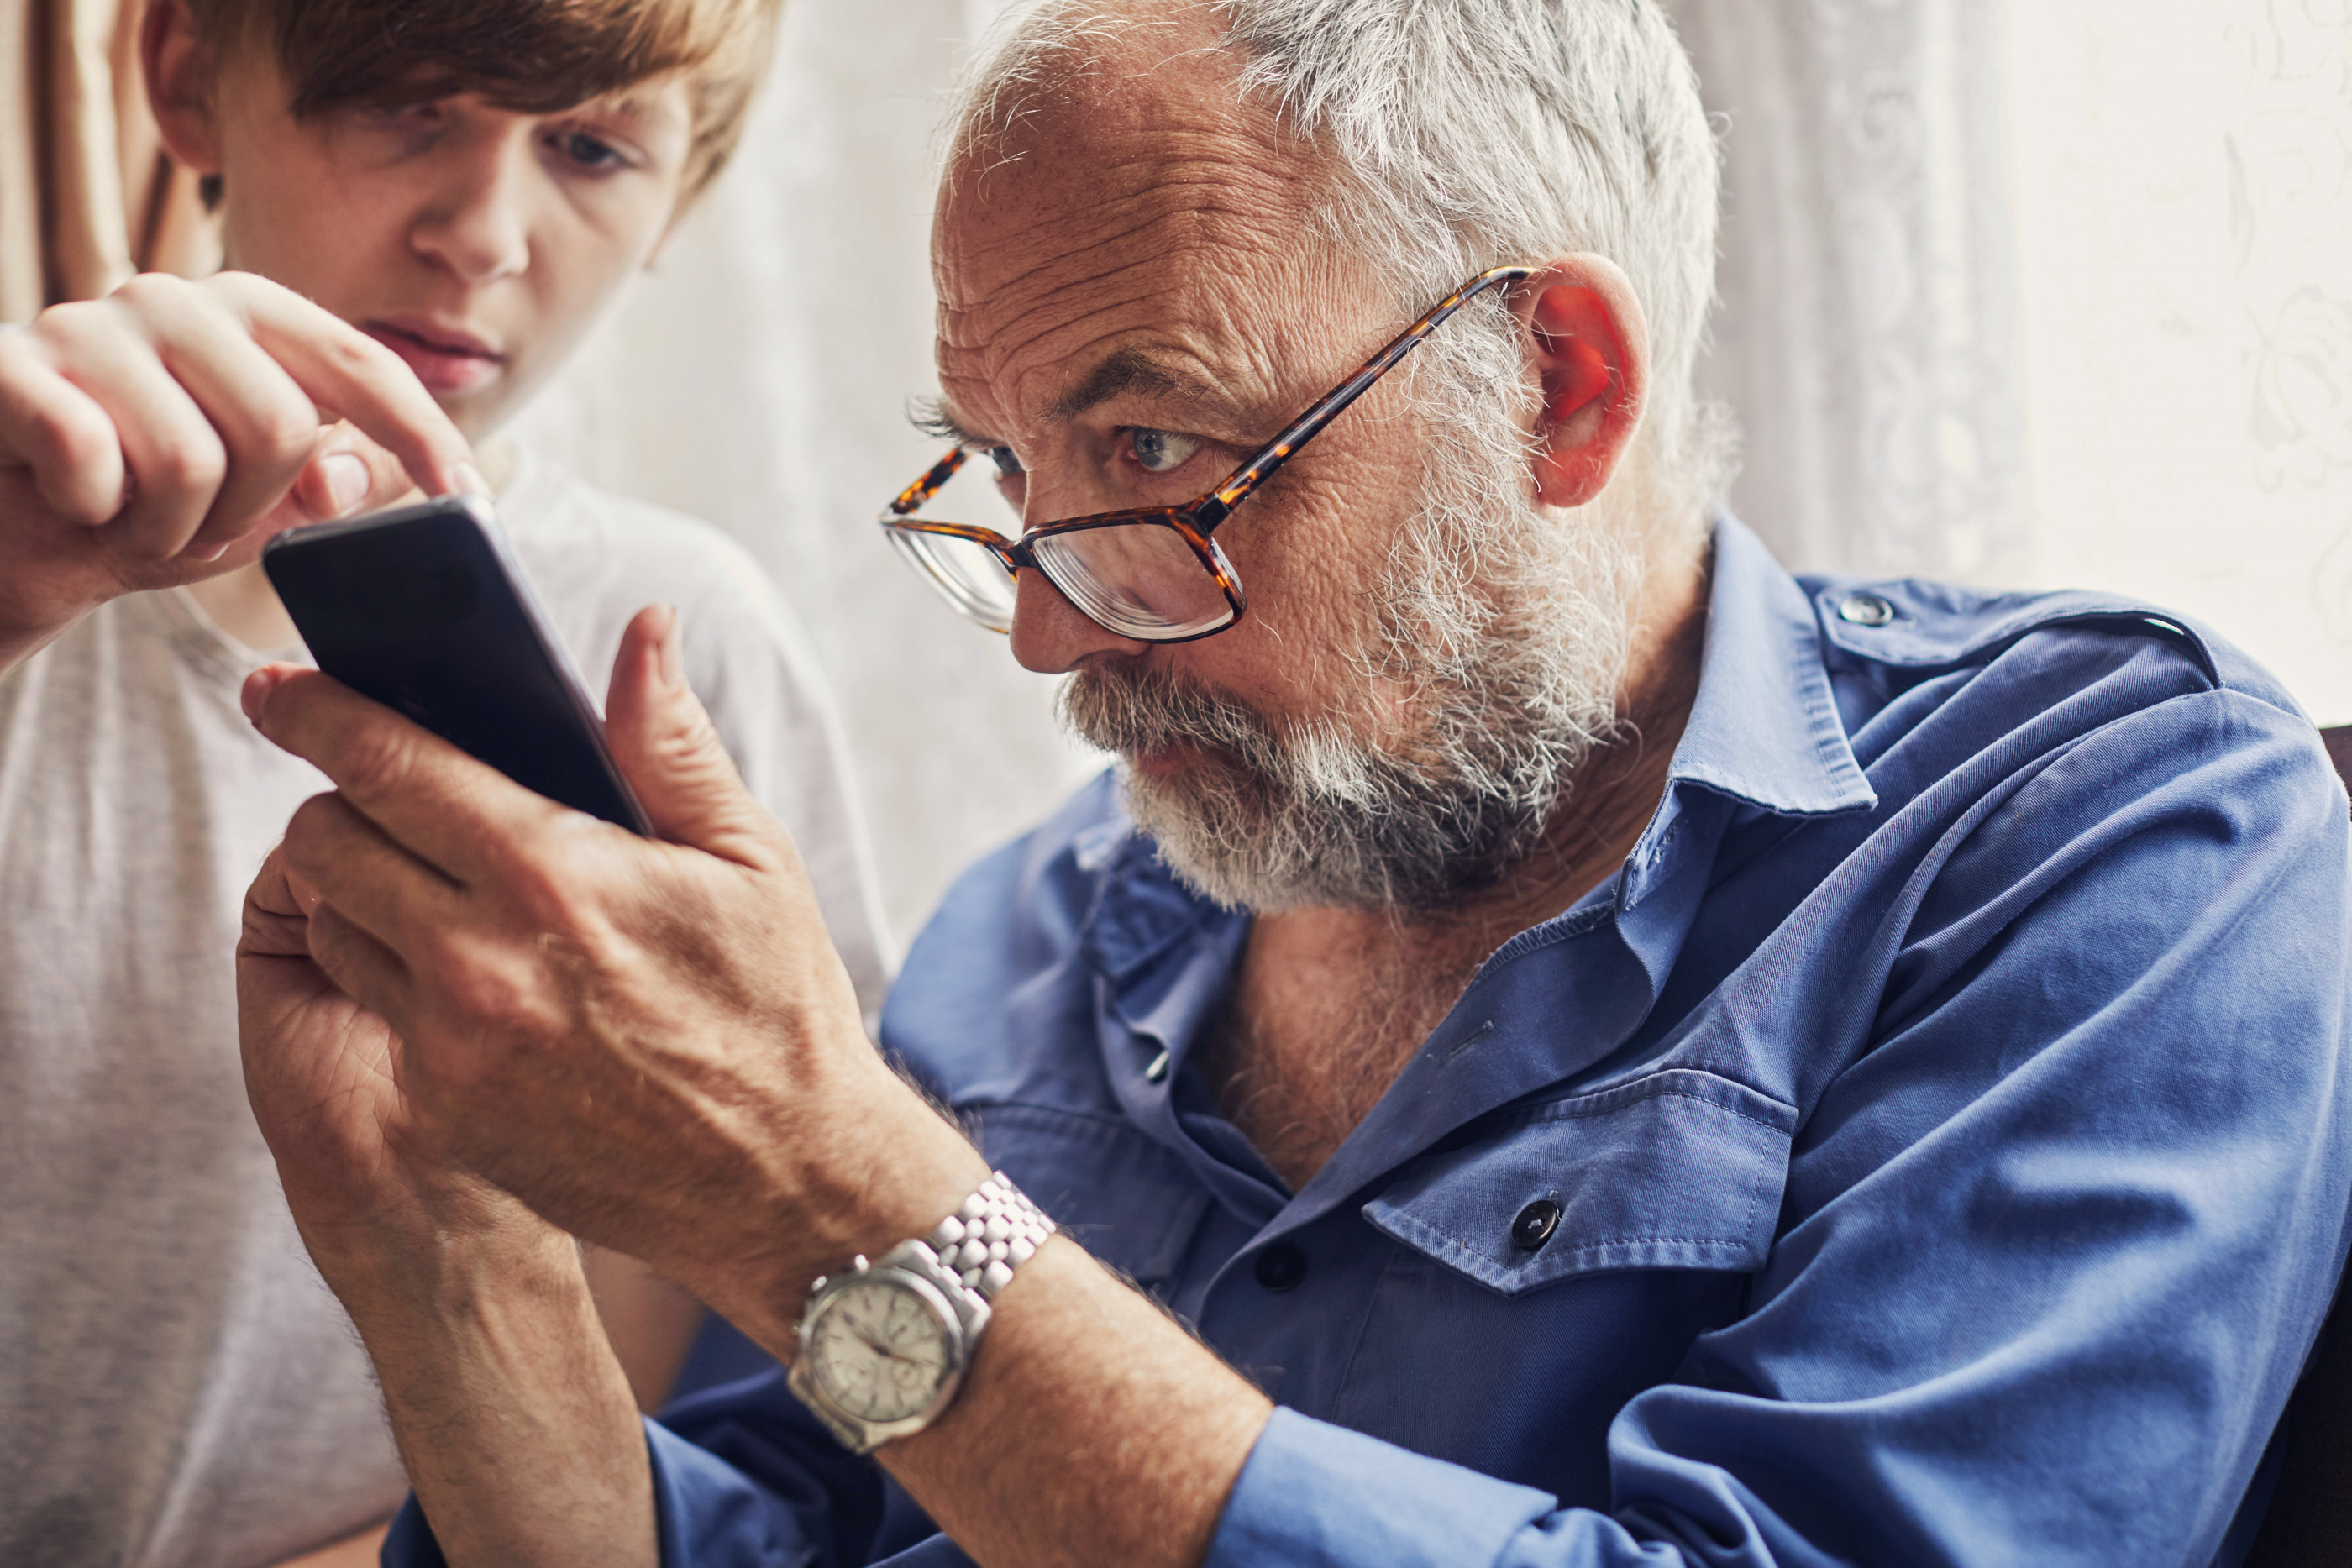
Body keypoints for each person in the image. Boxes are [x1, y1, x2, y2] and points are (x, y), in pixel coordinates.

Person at [231, 1, 2352, 1564]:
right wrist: (449, 1263)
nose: (1052, 633)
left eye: (1152, 454)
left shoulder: (2112, 829)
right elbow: (788, 1521)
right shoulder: (1051, 928)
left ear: (1557, 384)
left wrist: (825, 1183)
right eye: (1007, 477)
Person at [0, 1, 894, 1564]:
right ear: (189, 84)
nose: (483, 235)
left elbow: (710, 1378)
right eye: (407, 107)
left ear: (687, 191)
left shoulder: (682, 652)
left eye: (592, 146)